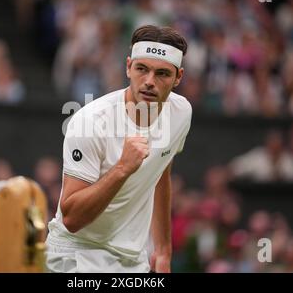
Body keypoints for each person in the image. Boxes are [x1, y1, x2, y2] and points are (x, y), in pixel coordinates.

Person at [45, 25, 193, 273]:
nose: (149, 82)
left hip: (132, 261)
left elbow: (160, 173)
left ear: (178, 77)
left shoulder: (181, 112)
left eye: (162, 74)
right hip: (74, 255)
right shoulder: (89, 122)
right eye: (141, 69)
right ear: (128, 67)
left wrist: (163, 250)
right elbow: (71, 219)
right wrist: (123, 168)